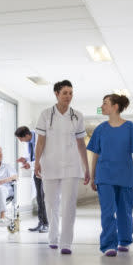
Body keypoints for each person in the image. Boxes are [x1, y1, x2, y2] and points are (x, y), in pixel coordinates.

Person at [87, 94, 133, 257]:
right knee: (107, 211)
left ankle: (124, 240)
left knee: (124, 211)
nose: (102, 106)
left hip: (125, 175)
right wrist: (93, 177)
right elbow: (95, 155)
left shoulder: (130, 127)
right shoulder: (100, 129)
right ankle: (108, 245)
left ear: (115, 107)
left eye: (105, 103)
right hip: (104, 175)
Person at [34, 80, 90, 255]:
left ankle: (66, 243)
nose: (68, 96)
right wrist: (36, 161)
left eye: (71, 93)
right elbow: (40, 141)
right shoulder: (45, 114)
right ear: (56, 94)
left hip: (72, 166)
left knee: (68, 205)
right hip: (49, 165)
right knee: (51, 204)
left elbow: (81, 144)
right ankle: (53, 236)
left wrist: (86, 167)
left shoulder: (77, 116)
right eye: (65, 93)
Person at [15, 126, 48, 233]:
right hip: (36, 171)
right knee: (39, 198)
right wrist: (25, 160)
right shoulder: (28, 142)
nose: (21, 141)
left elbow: (44, 156)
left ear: (27, 135)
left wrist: (30, 164)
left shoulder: (41, 137)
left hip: (45, 171)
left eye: (21, 139)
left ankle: (46, 224)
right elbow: (32, 157)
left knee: (44, 197)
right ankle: (41, 222)